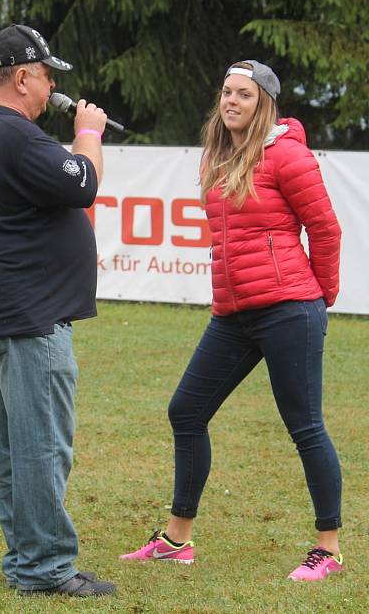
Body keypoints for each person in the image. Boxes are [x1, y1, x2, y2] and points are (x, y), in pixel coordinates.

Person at [120, 60, 344, 582]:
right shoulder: (218, 157)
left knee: (305, 426)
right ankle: (177, 540)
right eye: (226, 92)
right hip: (234, 313)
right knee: (186, 410)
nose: (231, 101)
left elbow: (326, 230)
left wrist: (319, 298)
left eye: (243, 94)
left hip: (290, 308)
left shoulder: (287, 155)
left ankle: (327, 549)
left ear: (263, 101)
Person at [0, 24, 115, 597]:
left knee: (12, 450)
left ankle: (27, 559)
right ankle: (44, 568)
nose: (49, 90)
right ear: (21, 77)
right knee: (39, 448)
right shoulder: (12, 134)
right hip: (27, 316)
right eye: (45, 77)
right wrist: (88, 131)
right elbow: (83, 182)